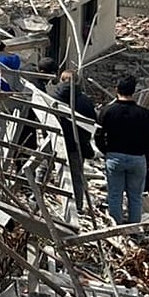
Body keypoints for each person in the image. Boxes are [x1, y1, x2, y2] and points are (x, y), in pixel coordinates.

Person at [95, 75, 149, 224]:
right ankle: (134, 229)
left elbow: (98, 135)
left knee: (115, 195)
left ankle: (116, 230)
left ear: (116, 90)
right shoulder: (143, 113)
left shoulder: (107, 111)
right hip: (138, 158)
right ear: (134, 92)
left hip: (115, 156)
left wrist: (106, 151)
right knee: (135, 197)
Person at [50, 68, 97, 208]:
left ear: (61, 79)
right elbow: (93, 122)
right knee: (76, 177)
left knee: (44, 170)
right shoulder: (84, 101)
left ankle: (36, 198)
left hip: (54, 142)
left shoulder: (50, 96)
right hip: (77, 145)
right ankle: (77, 206)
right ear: (77, 81)